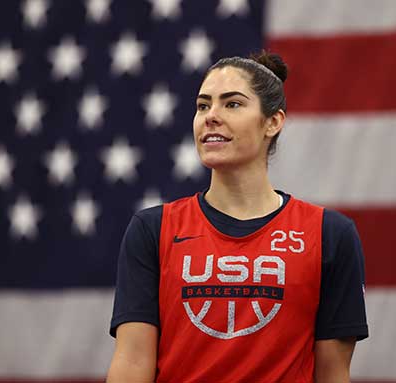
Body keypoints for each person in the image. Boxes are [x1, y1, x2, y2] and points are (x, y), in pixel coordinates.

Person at [106, 51, 369, 382]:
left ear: (273, 122)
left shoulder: (330, 234)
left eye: (231, 104)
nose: (211, 116)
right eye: (203, 105)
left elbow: (333, 374)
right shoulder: (152, 230)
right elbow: (131, 363)